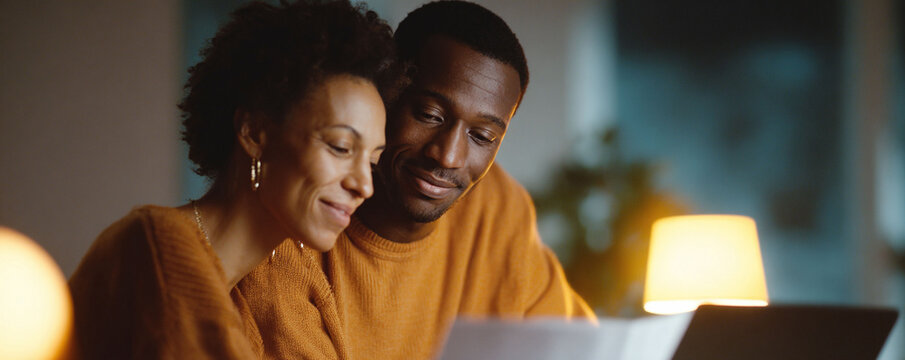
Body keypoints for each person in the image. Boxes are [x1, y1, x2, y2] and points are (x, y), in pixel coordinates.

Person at [238, 1, 596, 359]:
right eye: (429, 114)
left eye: (482, 136)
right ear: (385, 94)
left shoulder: (497, 206)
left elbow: (583, 346)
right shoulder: (291, 229)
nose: (448, 156)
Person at [67, 1, 401, 358]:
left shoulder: (248, 297)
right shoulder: (158, 245)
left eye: (372, 161)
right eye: (340, 147)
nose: (364, 186)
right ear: (254, 132)